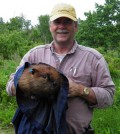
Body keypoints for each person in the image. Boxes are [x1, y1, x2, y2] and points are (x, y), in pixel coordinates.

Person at [6, 3, 115, 134]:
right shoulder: (34, 54)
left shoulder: (93, 58)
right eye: (57, 22)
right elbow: (10, 87)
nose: (62, 26)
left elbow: (108, 96)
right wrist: (27, 85)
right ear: (50, 26)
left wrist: (81, 90)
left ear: (76, 26)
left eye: (67, 22)